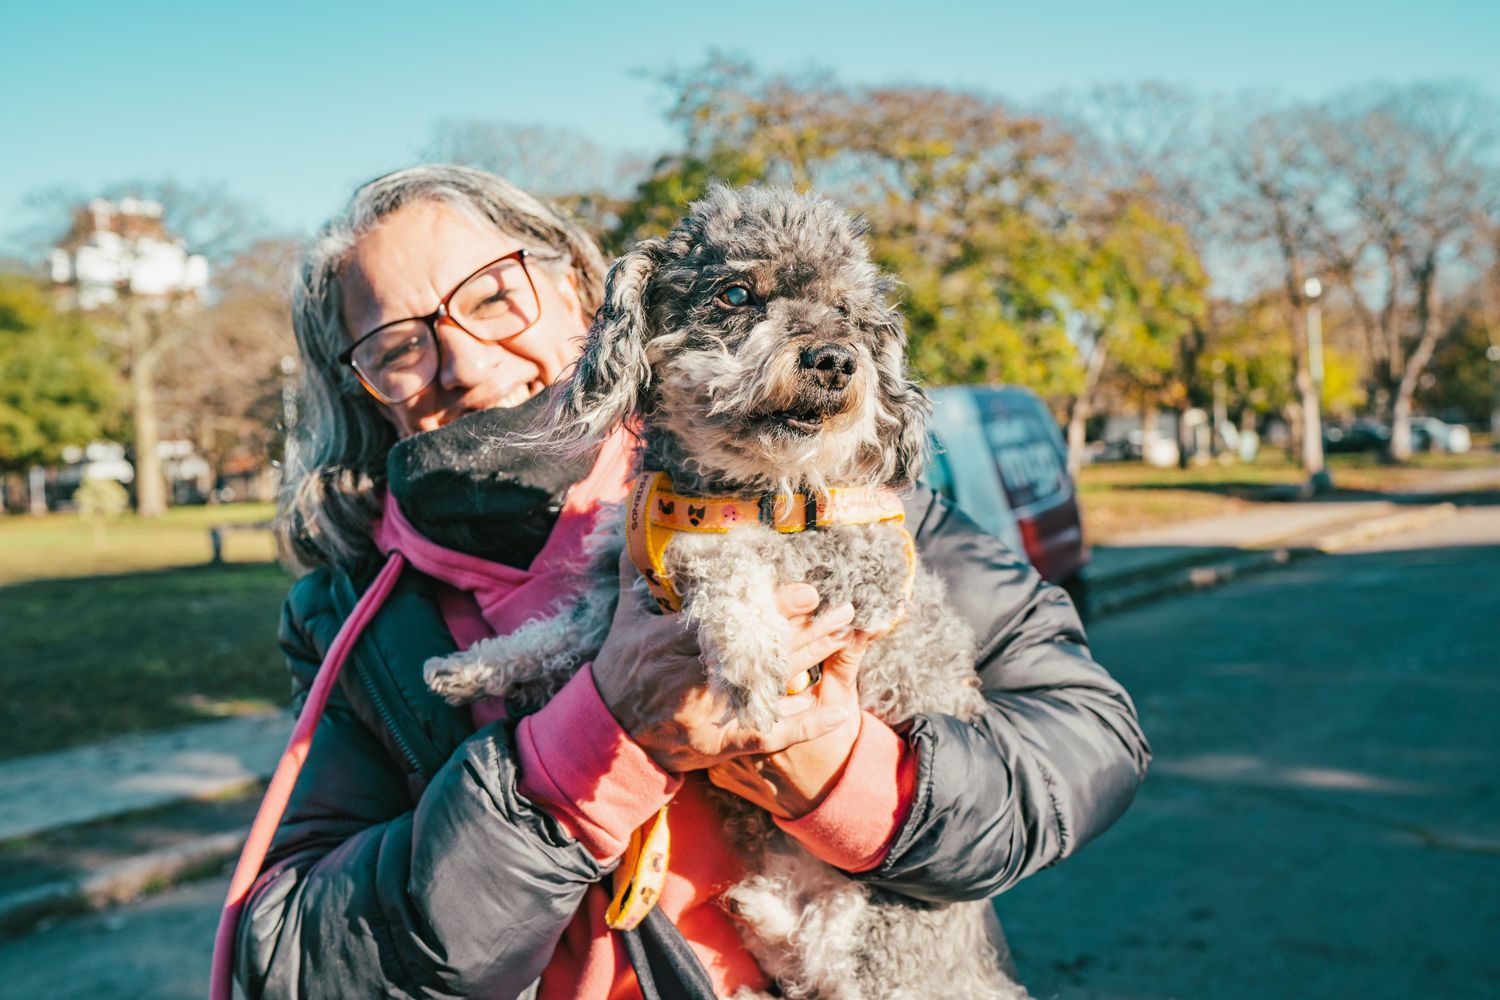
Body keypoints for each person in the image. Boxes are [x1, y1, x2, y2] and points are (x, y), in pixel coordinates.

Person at [234, 163, 1150, 999]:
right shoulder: (354, 623)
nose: (466, 361)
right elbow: (296, 963)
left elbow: (1092, 738)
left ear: (579, 295)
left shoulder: (842, 492)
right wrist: (569, 762)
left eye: (494, 297)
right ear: (361, 388)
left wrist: (846, 779)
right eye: (399, 346)